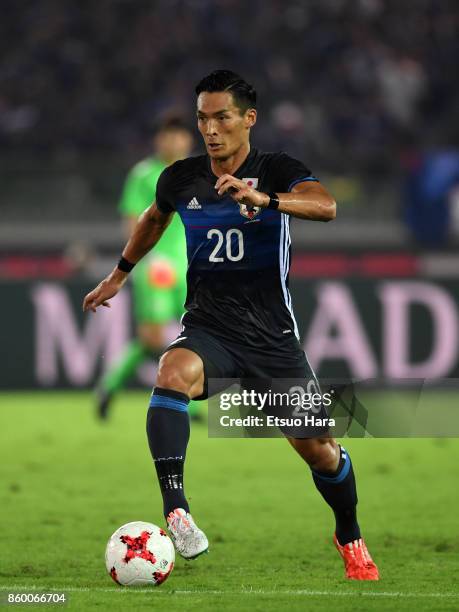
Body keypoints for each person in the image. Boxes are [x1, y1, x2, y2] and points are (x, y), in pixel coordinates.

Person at [83, 70, 379, 580]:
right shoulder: (180, 177)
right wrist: (118, 275)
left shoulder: (278, 168)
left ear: (249, 119)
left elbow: (326, 206)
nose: (211, 129)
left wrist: (268, 201)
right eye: (203, 118)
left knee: (321, 452)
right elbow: (153, 219)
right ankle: (177, 511)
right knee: (171, 370)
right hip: (209, 326)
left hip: (271, 338)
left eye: (222, 117)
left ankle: (349, 534)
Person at [96, 115, 201, 420]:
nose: (173, 141)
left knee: (198, 333)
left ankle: (113, 385)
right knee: (153, 338)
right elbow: (133, 221)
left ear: (188, 140)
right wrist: (140, 260)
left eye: (179, 135)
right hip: (155, 267)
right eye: (168, 135)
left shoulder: (198, 174)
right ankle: (113, 384)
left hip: (190, 267)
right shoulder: (143, 175)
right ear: (158, 140)